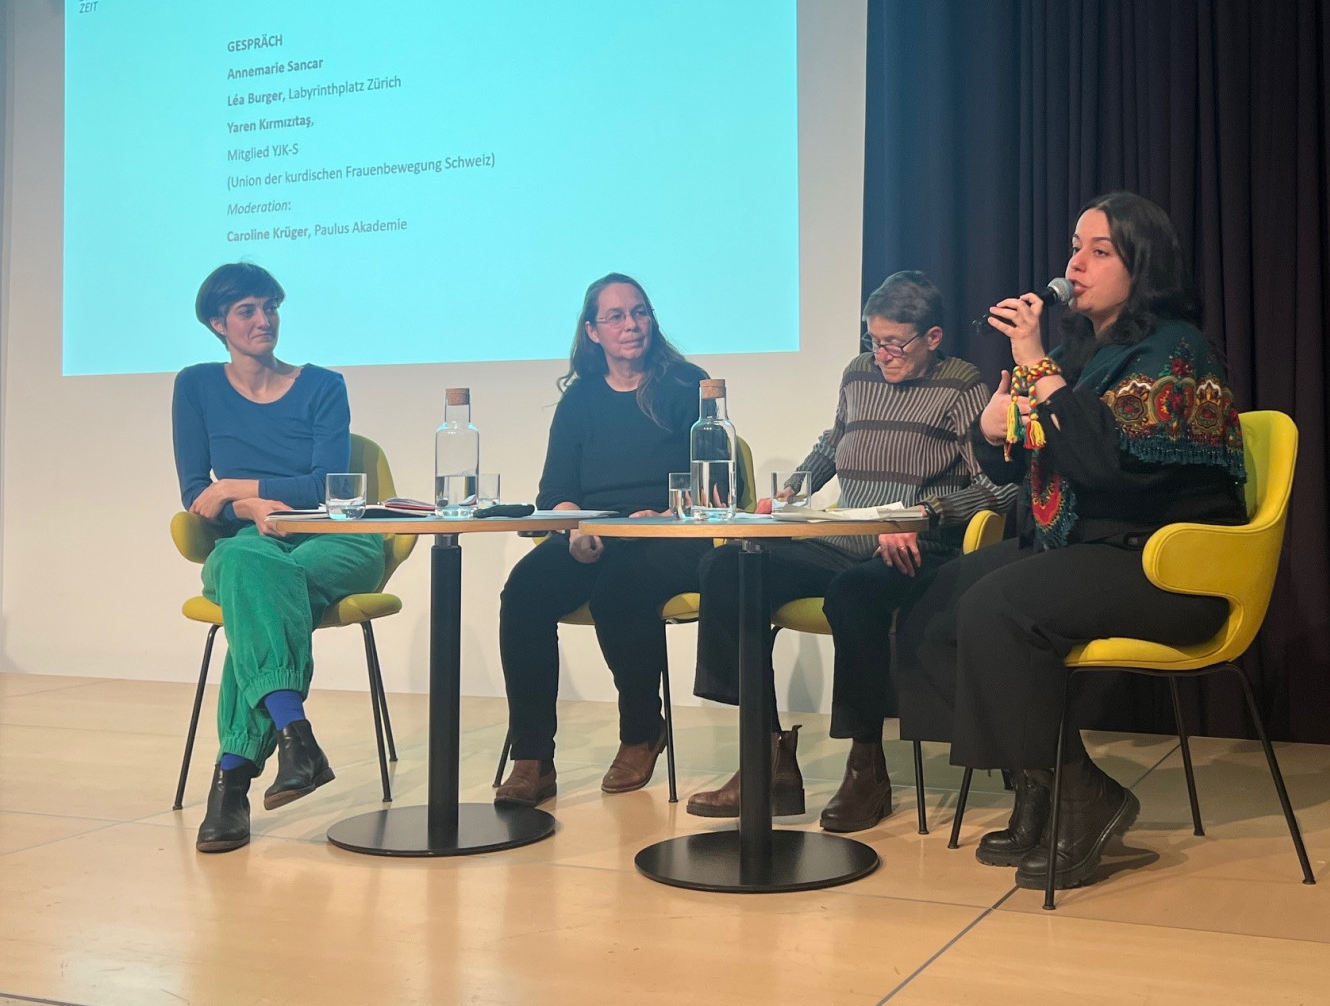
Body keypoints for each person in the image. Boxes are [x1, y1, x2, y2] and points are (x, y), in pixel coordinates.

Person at [897, 192, 1248, 892]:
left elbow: (1100, 464)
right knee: (933, 605)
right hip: (1088, 548)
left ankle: (1083, 794)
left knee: (998, 607)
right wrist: (991, 431)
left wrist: (1034, 362)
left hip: (1165, 565)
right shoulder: (1077, 354)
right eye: (1075, 247)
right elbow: (1016, 467)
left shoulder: (1175, 349)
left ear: (1142, 266)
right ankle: (1040, 785)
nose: (1075, 265)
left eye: (1099, 250)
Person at [688, 271, 1015, 832]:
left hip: (919, 549)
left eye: (895, 344)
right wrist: (793, 490)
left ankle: (867, 767)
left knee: (854, 594)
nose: (881, 355)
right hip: (843, 539)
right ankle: (766, 757)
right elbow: (833, 442)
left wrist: (924, 514)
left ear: (932, 338)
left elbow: (999, 487)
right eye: (874, 340)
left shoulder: (962, 387)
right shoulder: (858, 373)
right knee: (728, 567)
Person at [172, 263, 385, 853]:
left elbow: (325, 485)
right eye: (247, 310)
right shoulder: (196, 386)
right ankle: (294, 737)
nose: (264, 320)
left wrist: (237, 486)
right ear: (218, 323)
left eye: (270, 307)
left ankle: (233, 783)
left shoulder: (323, 386)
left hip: (337, 537)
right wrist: (247, 506)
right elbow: (196, 494)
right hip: (250, 543)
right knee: (250, 571)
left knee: (257, 596)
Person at [496, 274, 711, 807]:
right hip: (597, 533)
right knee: (523, 591)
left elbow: (715, 484)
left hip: (672, 533)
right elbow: (556, 492)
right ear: (592, 331)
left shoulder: (687, 384)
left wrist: (667, 512)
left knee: (620, 588)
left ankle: (641, 731)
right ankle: (533, 758)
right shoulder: (581, 399)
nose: (631, 325)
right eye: (615, 316)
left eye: (639, 312)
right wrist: (575, 529)